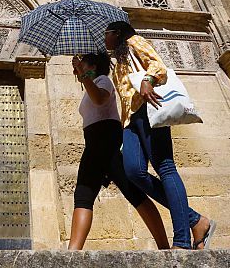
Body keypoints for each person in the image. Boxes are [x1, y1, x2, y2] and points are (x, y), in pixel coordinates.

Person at [104, 21, 216, 250]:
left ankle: (182, 241)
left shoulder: (134, 43)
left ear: (116, 33)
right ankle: (196, 220)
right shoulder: (119, 61)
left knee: (165, 168)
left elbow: (158, 65)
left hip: (149, 111)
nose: (104, 39)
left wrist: (147, 80)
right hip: (130, 121)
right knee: (134, 171)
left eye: (106, 34)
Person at [68, 52, 170, 250]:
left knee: (130, 193)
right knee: (86, 194)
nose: (81, 67)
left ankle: (164, 246)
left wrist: (83, 75)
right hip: (94, 143)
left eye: (84, 64)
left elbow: (99, 99)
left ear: (93, 67)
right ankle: (72, 253)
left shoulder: (103, 81)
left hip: (106, 141)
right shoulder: (91, 83)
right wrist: (82, 75)